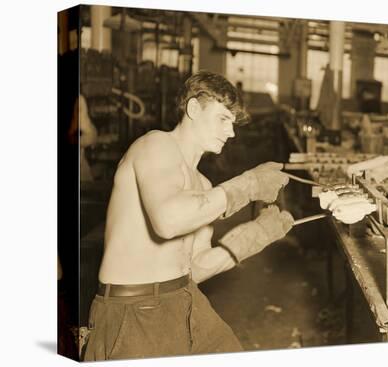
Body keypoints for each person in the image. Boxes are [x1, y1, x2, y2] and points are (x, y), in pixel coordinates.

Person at [83, 71, 294, 361]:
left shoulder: (203, 186)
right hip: (134, 309)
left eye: (233, 124)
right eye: (223, 119)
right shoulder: (155, 146)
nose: (231, 133)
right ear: (193, 109)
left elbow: (194, 269)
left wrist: (250, 239)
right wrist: (247, 186)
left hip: (183, 298)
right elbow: (168, 221)